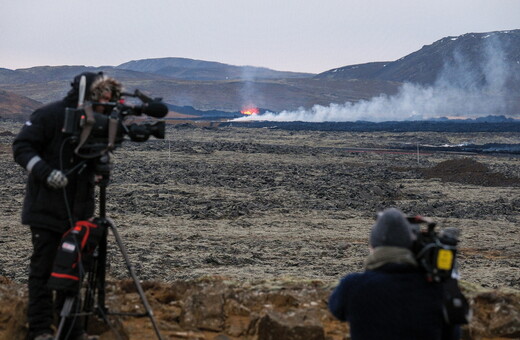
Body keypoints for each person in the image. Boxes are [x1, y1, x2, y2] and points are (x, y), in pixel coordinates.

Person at [12, 72, 122, 340]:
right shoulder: (49, 115)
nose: (106, 103)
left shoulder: (96, 123)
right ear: (90, 95)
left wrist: (98, 172)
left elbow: (94, 158)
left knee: (73, 271)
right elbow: (21, 146)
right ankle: (39, 330)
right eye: (102, 97)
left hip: (79, 213)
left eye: (110, 99)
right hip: (46, 212)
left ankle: (72, 331)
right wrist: (45, 172)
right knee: (43, 271)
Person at [328, 208, 465, 340]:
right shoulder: (437, 290)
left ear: (373, 246)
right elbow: (453, 335)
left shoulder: (352, 286)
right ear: (411, 246)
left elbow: (336, 309)